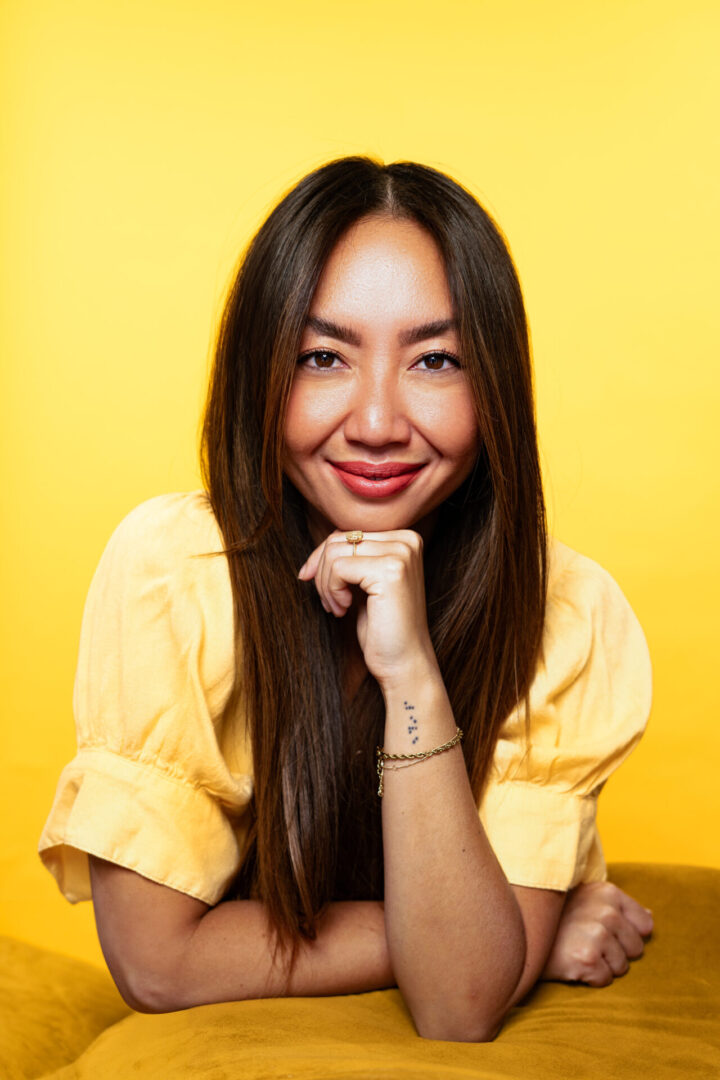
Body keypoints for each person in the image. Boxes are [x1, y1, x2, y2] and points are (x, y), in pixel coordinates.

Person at [38, 156, 654, 1043]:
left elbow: (457, 1007)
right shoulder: (178, 571)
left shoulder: (566, 613)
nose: (374, 422)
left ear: (498, 389)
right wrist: (497, 932)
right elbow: (159, 966)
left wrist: (411, 675)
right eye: (323, 357)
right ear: (262, 374)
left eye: (436, 360)